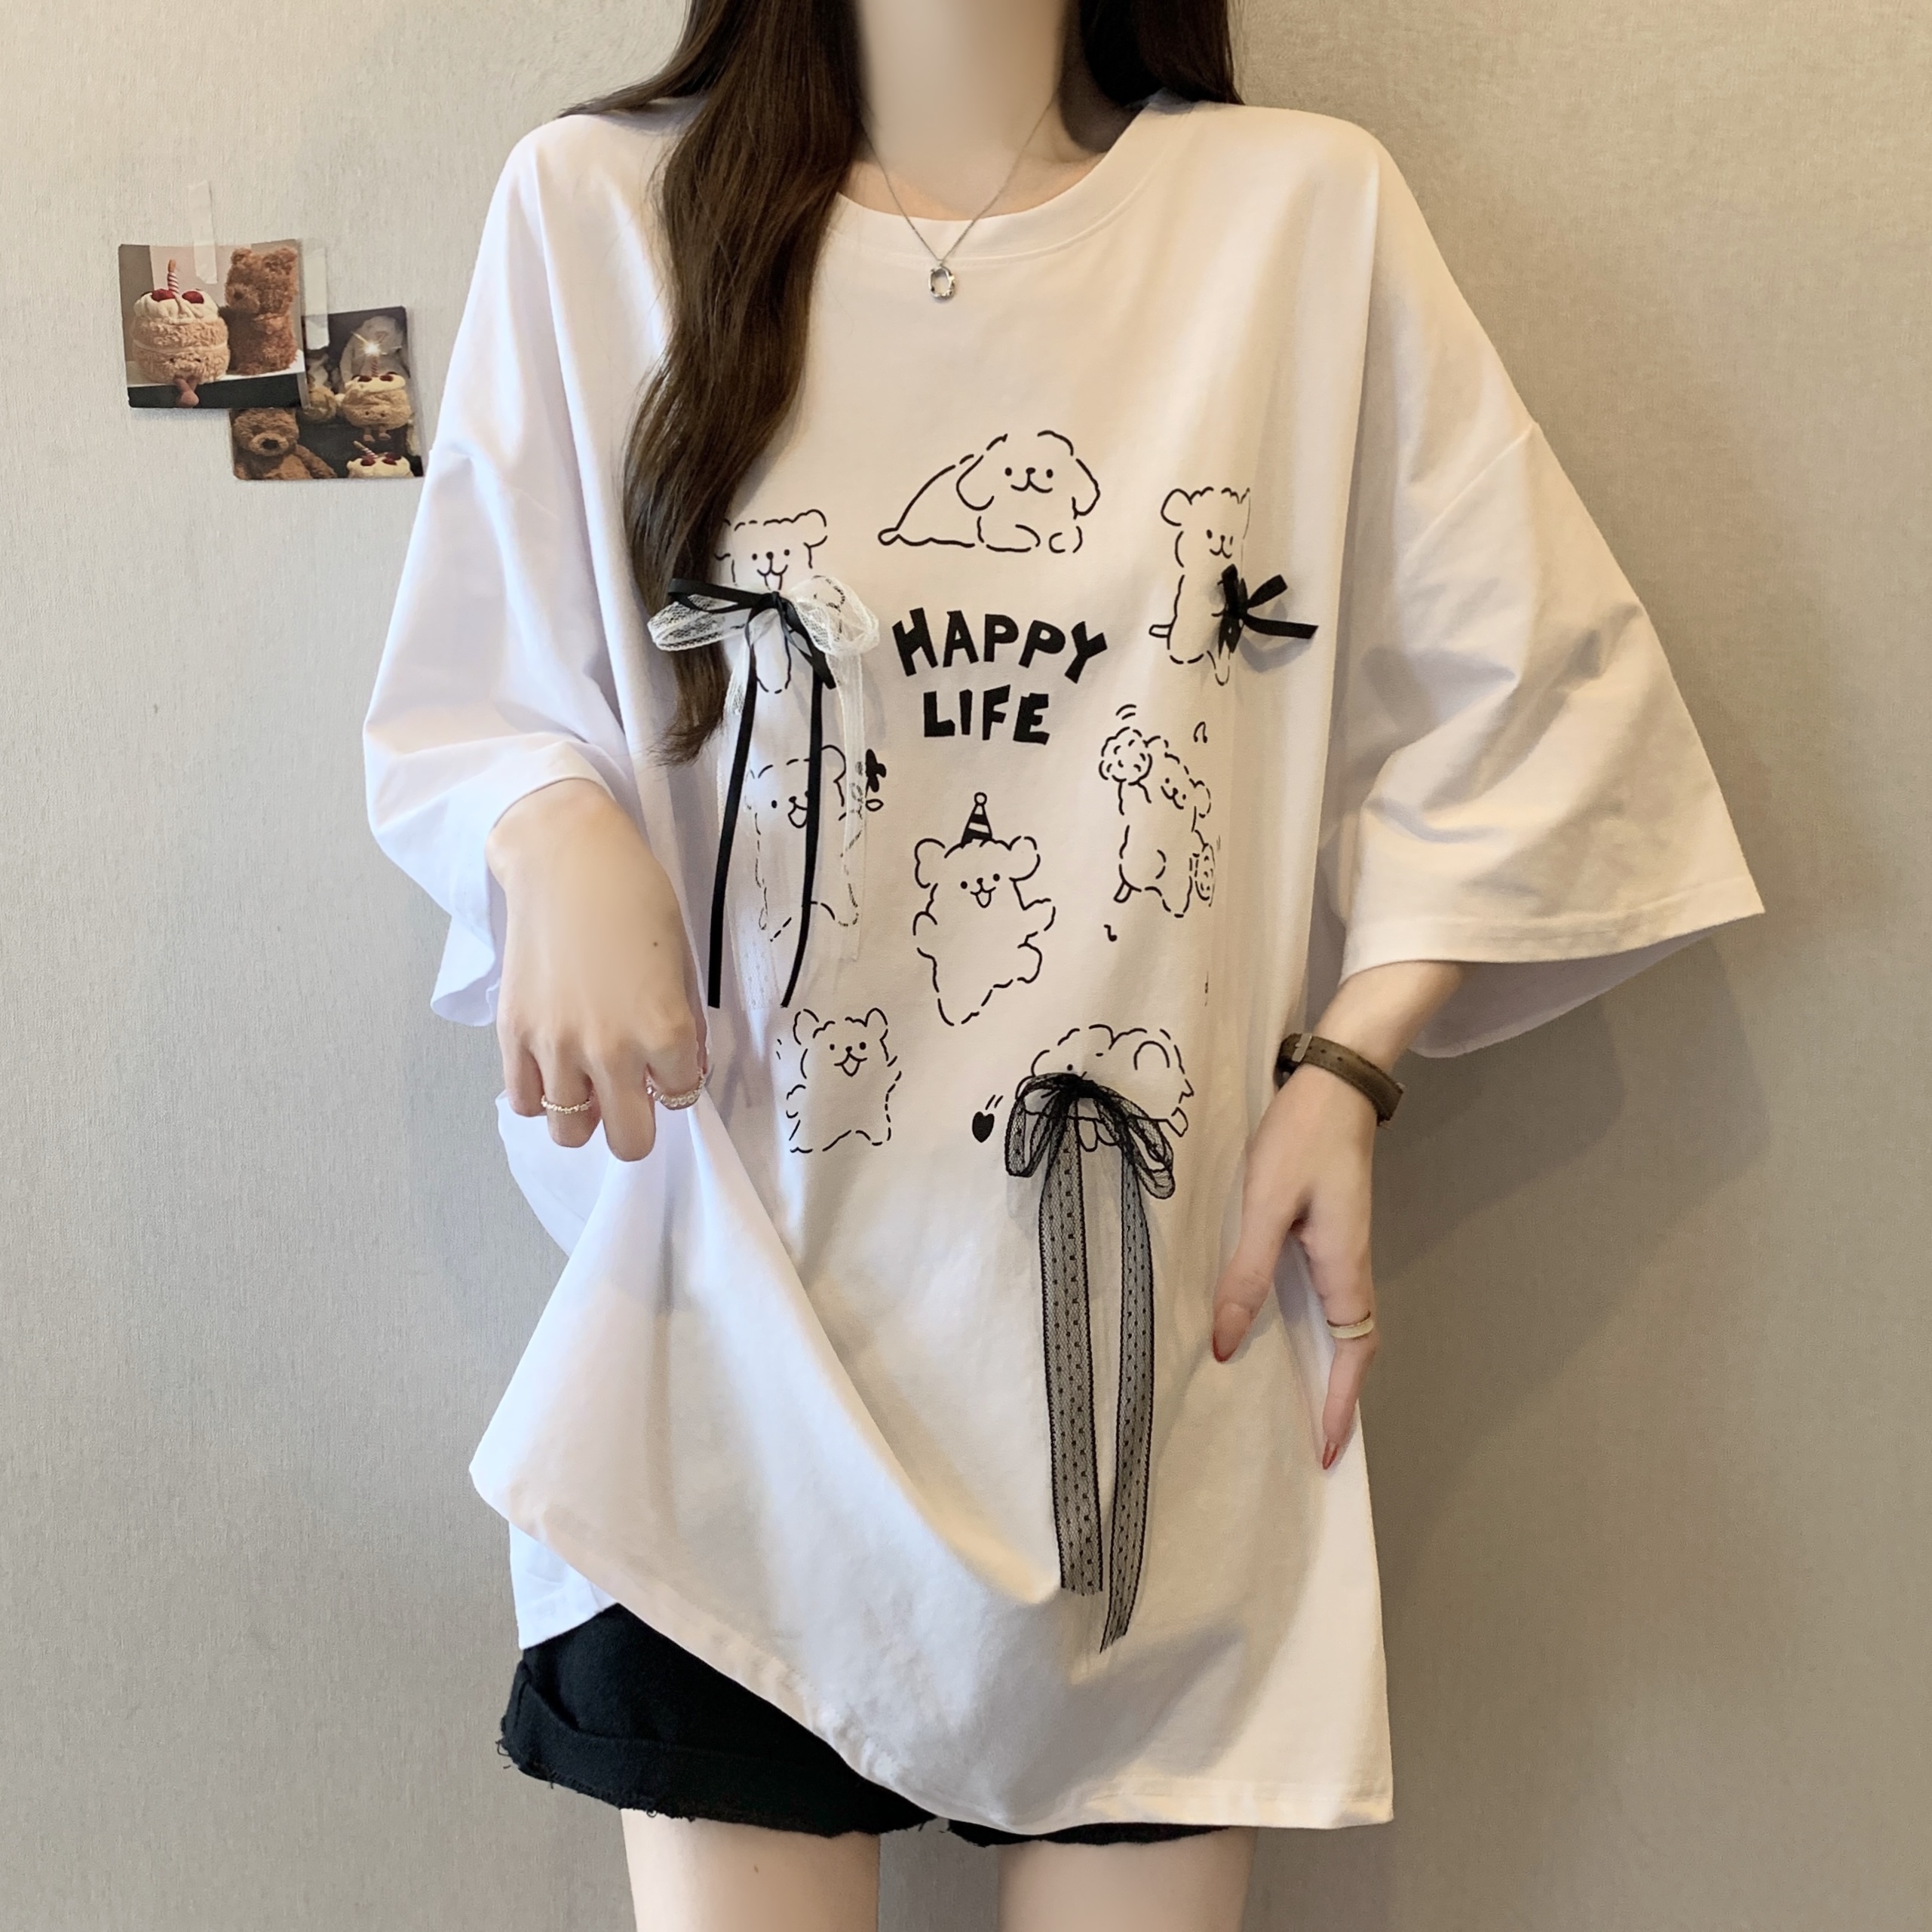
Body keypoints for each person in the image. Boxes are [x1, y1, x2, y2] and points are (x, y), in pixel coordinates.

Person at [363, 0, 1762, 1925]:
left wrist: (1355, 1066)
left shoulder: (1296, 221)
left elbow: (1544, 695)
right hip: (726, 1364)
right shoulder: (598, 213)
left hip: (1148, 1383)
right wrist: (548, 821)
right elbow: (466, 691)